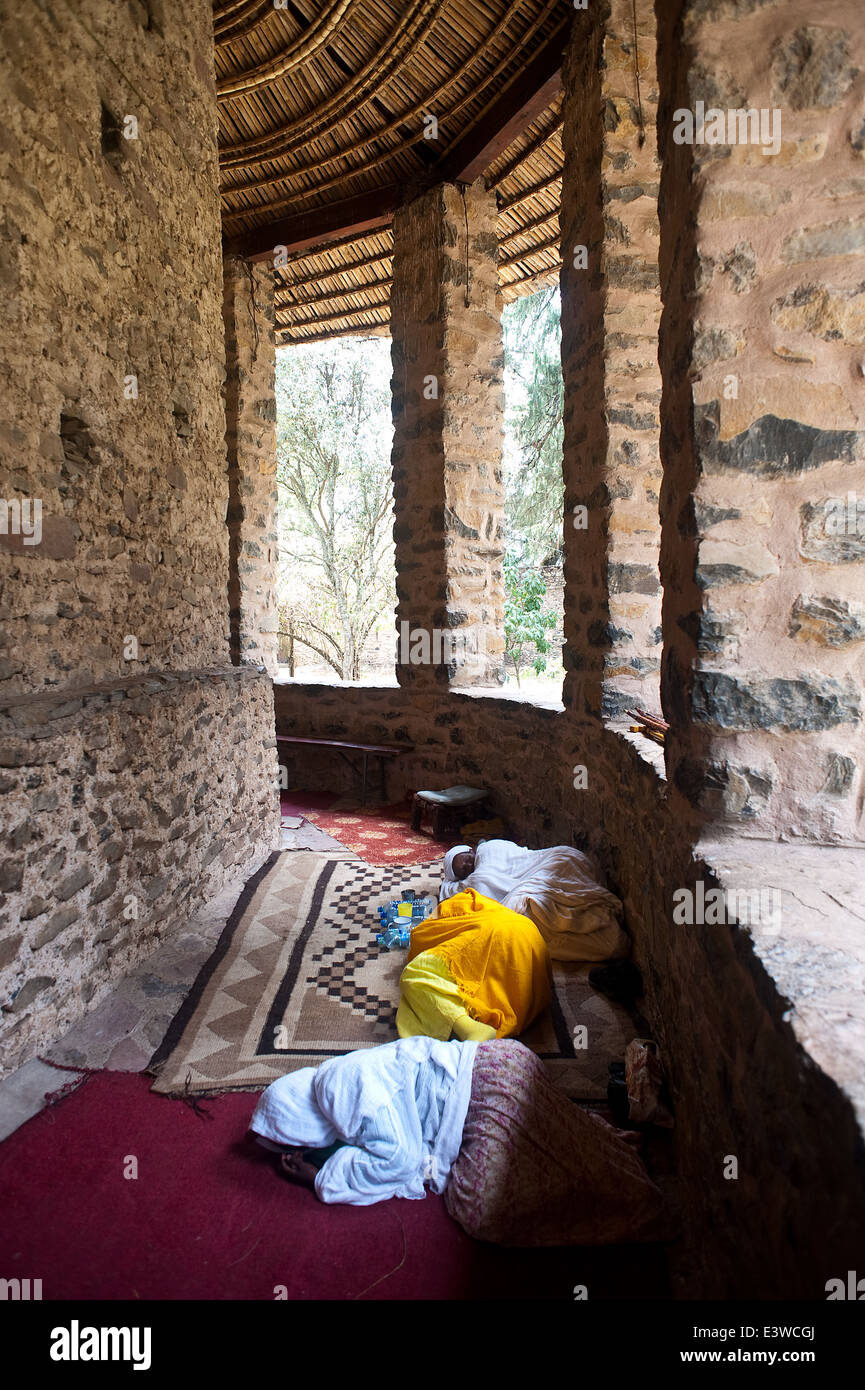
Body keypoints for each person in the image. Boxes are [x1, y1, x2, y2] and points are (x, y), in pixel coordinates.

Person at [248, 1035, 671, 1246]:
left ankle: (639, 1205)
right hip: (502, 1058)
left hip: (486, 1096)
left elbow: (399, 1159)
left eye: (291, 1143)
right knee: (553, 1139)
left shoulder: (339, 1093)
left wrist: (321, 1178)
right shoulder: (342, 1075)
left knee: (478, 1207)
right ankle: (616, 1157)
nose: (298, 1150)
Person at [396, 886, 551, 1043]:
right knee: (482, 976)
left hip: (499, 936)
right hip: (535, 953)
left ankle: (470, 1028)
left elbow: (420, 939)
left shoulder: (447, 909)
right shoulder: (481, 902)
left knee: (416, 972)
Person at [440, 839, 630, 962]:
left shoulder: (489, 848)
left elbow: (518, 855)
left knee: (565, 859)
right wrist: (452, 882)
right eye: (462, 870)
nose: (466, 866)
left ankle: (594, 909)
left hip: (545, 863)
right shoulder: (473, 880)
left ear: (469, 850)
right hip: (526, 889)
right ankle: (604, 929)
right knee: (537, 917)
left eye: (464, 859)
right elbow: (454, 893)